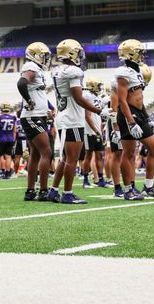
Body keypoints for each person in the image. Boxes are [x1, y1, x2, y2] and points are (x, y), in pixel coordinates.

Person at [48, 39, 110, 204]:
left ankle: (53, 191)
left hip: (62, 116)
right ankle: (68, 193)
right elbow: (78, 97)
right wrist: (99, 111)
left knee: (64, 158)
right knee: (72, 159)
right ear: (71, 53)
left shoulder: (56, 70)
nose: (80, 56)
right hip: (72, 118)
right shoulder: (74, 71)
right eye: (78, 52)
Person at [116, 40, 154, 200]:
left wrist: (147, 118)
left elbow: (139, 98)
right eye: (139, 52)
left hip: (139, 113)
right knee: (130, 153)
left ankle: (148, 187)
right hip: (128, 114)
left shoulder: (136, 71)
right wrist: (131, 121)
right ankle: (129, 189)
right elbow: (122, 100)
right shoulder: (123, 72)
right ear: (131, 53)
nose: (142, 55)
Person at [18, 42, 55, 202]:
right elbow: (21, 83)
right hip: (32, 116)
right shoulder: (31, 66)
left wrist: (44, 108)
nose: (46, 58)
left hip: (36, 115)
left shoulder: (36, 68)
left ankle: (30, 191)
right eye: (44, 55)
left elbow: (36, 92)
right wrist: (29, 101)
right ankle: (44, 190)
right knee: (46, 152)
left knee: (34, 155)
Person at [82, 78, 108, 189]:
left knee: (100, 155)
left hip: (97, 129)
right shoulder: (86, 96)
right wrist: (96, 130)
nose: (99, 88)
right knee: (88, 154)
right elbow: (87, 116)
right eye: (97, 85)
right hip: (89, 131)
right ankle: (86, 179)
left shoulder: (97, 98)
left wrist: (100, 130)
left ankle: (100, 179)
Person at [0, 102, 17, 179]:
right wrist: (13, 140)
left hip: (1, 138)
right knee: (8, 156)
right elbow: (14, 130)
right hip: (10, 138)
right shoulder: (13, 117)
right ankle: (7, 174)